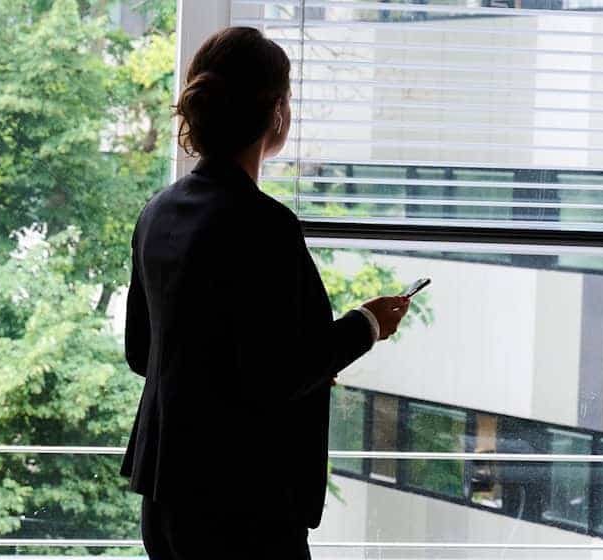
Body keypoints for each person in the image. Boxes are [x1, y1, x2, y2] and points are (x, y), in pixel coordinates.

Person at [119, 26, 411, 559]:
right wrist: (366, 326)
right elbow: (279, 372)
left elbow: (143, 353)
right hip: (244, 506)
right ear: (277, 112)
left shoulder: (156, 213)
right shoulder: (263, 225)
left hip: (165, 500)